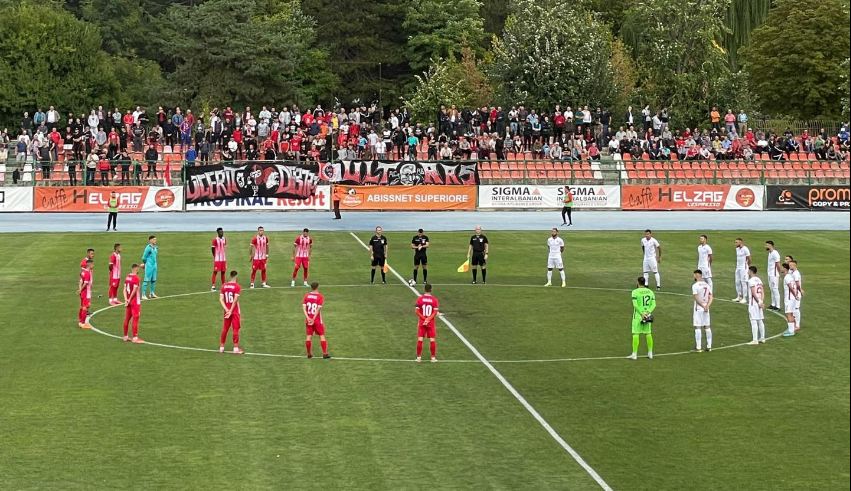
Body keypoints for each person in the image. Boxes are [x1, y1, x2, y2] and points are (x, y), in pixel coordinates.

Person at [628, 277, 656, 360]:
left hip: (638, 316)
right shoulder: (650, 292)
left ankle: (634, 354)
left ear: (637, 282)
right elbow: (654, 304)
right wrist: (647, 312)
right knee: (648, 333)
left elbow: (635, 305)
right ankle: (650, 353)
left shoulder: (635, 292)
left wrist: (642, 314)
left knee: (636, 334)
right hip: (647, 315)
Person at [303, 282, 330, 359]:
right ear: (317, 287)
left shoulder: (306, 296)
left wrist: (308, 318)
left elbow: (304, 308)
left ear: (311, 287)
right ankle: (325, 353)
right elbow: (318, 309)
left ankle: (309, 354)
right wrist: (314, 318)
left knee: (308, 336)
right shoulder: (320, 296)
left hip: (308, 319)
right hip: (317, 320)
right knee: (322, 335)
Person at [219, 271, 244, 354]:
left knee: (225, 328)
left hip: (226, 311)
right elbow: (235, 300)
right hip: (234, 311)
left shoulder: (224, 286)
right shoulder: (237, 286)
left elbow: (221, 300)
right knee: (235, 329)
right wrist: (231, 310)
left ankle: (221, 347)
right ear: (236, 276)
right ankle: (236, 349)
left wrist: (226, 310)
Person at [415, 283, 439, 363]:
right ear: (431, 289)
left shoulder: (420, 299)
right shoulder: (434, 300)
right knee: (432, 340)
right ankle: (433, 358)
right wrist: (428, 319)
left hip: (422, 322)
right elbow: (435, 312)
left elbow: (417, 311)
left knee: (420, 339)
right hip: (430, 322)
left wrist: (424, 319)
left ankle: (418, 358)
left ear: (424, 289)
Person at [692, 270, 714, 352]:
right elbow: (711, 297)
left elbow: (696, 297)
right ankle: (709, 346)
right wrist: (707, 306)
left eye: (694, 275)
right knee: (707, 326)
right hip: (706, 307)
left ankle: (698, 347)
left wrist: (702, 305)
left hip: (699, 308)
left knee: (698, 326)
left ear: (697, 275)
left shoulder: (695, 285)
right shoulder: (707, 285)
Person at [122, 263, 144, 344]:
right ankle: (135, 337)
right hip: (135, 302)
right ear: (136, 269)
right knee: (135, 318)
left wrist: (126, 300)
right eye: (138, 268)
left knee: (127, 318)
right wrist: (130, 299)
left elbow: (124, 289)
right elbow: (134, 291)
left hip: (128, 301)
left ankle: (125, 336)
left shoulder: (127, 277)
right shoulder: (136, 278)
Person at [746, 266, 766, 345]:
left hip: (754, 303)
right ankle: (762, 338)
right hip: (759, 302)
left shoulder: (751, 281)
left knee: (753, 320)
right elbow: (762, 291)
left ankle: (755, 340)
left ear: (751, 271)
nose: (747, 272)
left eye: (748, 270)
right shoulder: (759, 279)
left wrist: (758, 302)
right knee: (760, 320)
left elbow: (753, 292)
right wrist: (761, 301)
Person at [781, 262, 800, 337]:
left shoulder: (787, 277)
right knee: (791, 313)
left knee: (788, 314)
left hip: (789, 299)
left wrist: (795, 295)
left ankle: (791, 330)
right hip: (792, 298)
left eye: (782, 267)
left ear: (785, 269)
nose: (781, 269)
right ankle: (791, 329)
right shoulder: (790, 276)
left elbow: (790, 287)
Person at [733, 238, 751, 304]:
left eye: (736, 242)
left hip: (744, 268)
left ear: (741, 242)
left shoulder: (745, 249)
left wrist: (747, 267)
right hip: (738, 268)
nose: (735, 243)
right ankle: (739, 296)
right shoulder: (737, 249)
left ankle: (745, 298)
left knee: (743, 282)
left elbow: (749, 259)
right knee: (737, 282)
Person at [765, 241, 782, 311]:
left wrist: (780, 273)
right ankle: (773, 304)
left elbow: (778, 264)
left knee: (775, 289)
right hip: (770, 274)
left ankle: (778, 306)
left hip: (774, 274)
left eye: (767, 245)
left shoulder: (775, 253)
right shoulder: (770, 253)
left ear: (771, 245)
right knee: (772, 289)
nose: (766, 246)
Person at [787, 258, 803, 332]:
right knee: (793, 309)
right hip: (793, 294)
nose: (789, 266)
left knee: (796, 309)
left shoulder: (796, 273)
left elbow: (797, 284)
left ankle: (797, 325)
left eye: (791, 265)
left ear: (795, 265)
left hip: (797, 293)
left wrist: (800, 290)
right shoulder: (792, 271)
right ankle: (795, 323)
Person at [77, 259, 94, 329]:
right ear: (89, 265)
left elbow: (80, 281)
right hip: (86, 292)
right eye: (92, 264)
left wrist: (80, 290)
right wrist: (81, 289)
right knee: (85, 307)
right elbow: (85, 283)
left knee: (82, 306)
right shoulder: (87, 273)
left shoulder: (83, 272)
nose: (93, 265)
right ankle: (83, 323)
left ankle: (80, 320)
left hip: (83, 292)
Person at [141, 235, 159, 299]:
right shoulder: (148, 248)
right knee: (146, 279)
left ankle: (152, 293)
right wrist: (145, 264)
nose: (155, 240)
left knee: (153, 280)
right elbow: (143, 257)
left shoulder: (156, 247)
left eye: (155, 239)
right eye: (154, 239)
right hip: (149, 266)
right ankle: (143, 295)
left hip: (154, 265)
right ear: (150, 240)